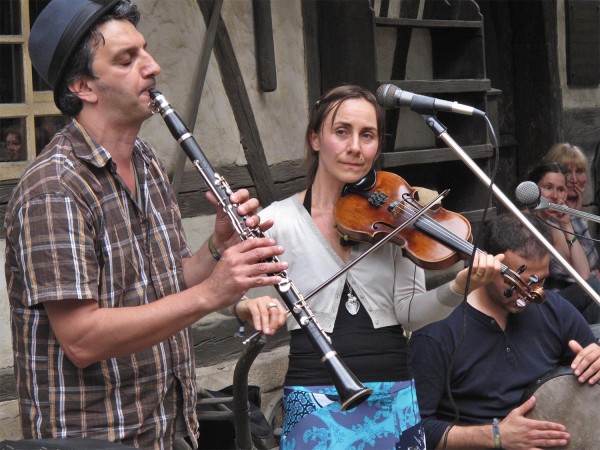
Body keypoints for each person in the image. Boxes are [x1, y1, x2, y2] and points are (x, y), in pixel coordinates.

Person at [5, 1, 287, 448]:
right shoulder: (55, 188)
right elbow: (82, 339)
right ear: (83, 87)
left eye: (145, 51)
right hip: (97, 438)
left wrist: (216, 248)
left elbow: (166, 282)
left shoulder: (147, 161)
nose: (152, 67)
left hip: (167, 424)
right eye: (126, 59)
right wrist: (211, 293)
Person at [257, 84, 502, 450]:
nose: (355, 147)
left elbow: (409, 313)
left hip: (394, 397)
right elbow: (248, 299)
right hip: (314, 396)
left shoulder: (397, 218)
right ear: (315, 138)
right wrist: (250, 307)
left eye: (367, 135)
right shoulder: (276, 221)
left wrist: (456, 288)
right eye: (342, 132)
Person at [409, 212, 600, 450]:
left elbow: (592, 372)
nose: (530, 294)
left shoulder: (552, 308)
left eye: (539, 281)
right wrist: (496, 436)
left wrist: (596, 359)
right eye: (518, 282)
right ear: (487, 264)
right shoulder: (437, 330)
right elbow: (416, 432)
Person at [526, 161, 600, 325]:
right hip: (541, 299)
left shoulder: (568, 218)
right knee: (594, 288)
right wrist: (550, 224)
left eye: (560, 189)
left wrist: (566, 225)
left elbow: (583, 275)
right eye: (548, 187)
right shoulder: (524, 223)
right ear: (533, 190)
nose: (554, 196)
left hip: (573, 295)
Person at [544, 143, 600, 278]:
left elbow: (593, 261)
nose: (574, 180)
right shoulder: (549, 216)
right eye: (567, 172)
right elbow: (577, 275)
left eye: (579, 171)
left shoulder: (575, 213)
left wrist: (577, 216)